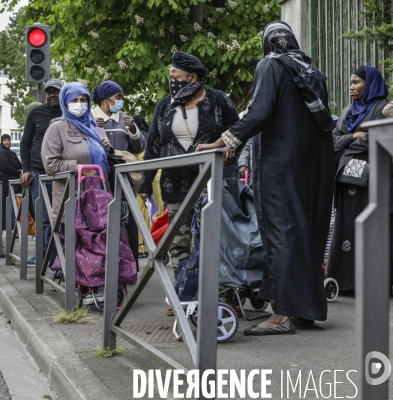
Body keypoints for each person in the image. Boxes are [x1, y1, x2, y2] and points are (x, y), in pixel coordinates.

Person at [197, 21, 336, 335]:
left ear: (267, 43)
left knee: (281, 234)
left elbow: (260, 113)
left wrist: (225, 140)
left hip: (279, 164)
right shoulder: (312, 72)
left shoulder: (270, 65)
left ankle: (281, 315)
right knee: (307, 235)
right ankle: (306, 310)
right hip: (315, 166)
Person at [137, 52, 240, 290]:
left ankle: (222, 294)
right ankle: (183, 292)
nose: (171, 80)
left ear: (192, 77)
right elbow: (153, 145)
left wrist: (229, 146)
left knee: (216, 238)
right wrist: (145, 185)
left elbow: (238, 130)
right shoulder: (164, 105)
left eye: (175, 76)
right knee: (179, 240)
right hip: (175, 183)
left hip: (212, 183)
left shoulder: (218, 100)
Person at [328, 66, 392, 291]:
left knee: (371, 223)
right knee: (347, 224)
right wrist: (353, 136)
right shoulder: (348, 111)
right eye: (350, 82)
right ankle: (346, 281)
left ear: (370, 83)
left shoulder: (381, 108)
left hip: (373, 175)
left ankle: (372, 282)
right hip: (347, 174)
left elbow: (375, 138)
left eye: (356, 82)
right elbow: (333, 142)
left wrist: (347, 143)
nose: (351, 87)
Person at [91, 80, 147, 261]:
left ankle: (127, 263)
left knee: (126, 219)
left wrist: (133, 129)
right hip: (100, 177)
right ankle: (102, 263)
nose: (120, 101)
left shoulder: (124, 118)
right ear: (106, 100)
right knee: (101, 220)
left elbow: (139, 147)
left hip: (123, 178)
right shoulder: (90, 116)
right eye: (117, 97)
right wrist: (94, 127)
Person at [41, 82, 109, 224]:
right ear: (65, 103)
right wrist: (78, 168)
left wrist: (108, 148)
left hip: (98, 200)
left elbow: (104, 153)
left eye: (83, 100)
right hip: (72, 201)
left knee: (99, 244)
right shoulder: (56, 127)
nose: (79, 104)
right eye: (74, 100)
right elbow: (50, 164)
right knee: (72, 245)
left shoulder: (95, 127)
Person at [20, 79, 64, 266]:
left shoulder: (69, 112)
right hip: (40, 174)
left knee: (63, 216)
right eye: (49, 92)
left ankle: (60, 259)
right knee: (44, 217)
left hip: (63, 173)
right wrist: (27, 170)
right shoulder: (36, 113)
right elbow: (25, 143)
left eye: (55, 91)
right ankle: (47, 258)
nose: (52, 95)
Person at [0, 134, 23, 229]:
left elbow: (19, 164)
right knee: (8, 207)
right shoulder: (0, 153)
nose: (7, 142)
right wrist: (19, 172)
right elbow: (5, 167)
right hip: (5, 186)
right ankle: (10, 229)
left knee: (15, 207)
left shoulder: (11, 153)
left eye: (8, 140)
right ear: (2, 141)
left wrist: (23, 170)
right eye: (5, 140)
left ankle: (15, 229)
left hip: (14, 185)